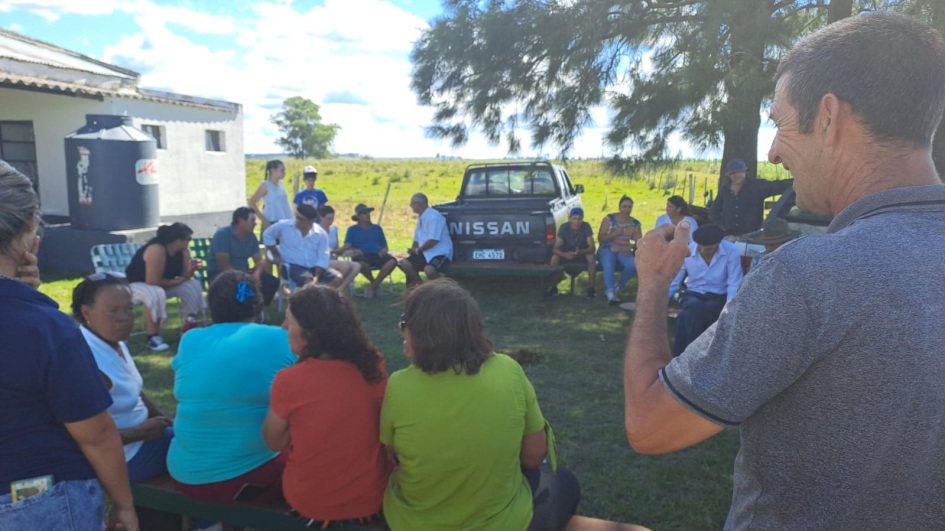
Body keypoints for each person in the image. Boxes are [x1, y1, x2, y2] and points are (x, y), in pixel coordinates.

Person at [624, 13, 945, 529]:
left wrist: (655, 284)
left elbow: (649, 424)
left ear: (828, 117)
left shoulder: (812, 274)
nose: (772, 151)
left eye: (777, 122)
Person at [0, 161, 139, 531]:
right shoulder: (47, 328)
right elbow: (97, 434)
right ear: (31, 222)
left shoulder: (37, 322)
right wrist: (124, 505)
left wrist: (23, 296)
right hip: (33, 499)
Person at [382, 280, 580, 531]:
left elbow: (392, 450)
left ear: (424, 333)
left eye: (405, 320)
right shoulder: (509, 371)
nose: (401, 328)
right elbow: (533, 457)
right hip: (500, 522)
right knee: (564, 481)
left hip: (410, 523)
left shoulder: (399, 385)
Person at [263, 285, 392, 527]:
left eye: (289, 321)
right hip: (372, 497)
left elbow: (274, 442)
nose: (283, 328)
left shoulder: (288, 380)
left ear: (310, 333)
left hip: (312, 503)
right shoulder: (374, 365)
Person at [168, 271, 296, 505]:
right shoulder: (282, 339)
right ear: (258, 305)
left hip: (185, 475)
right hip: (252, 476)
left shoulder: (190, 339)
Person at [73, 274, 174, 484]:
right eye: (113, 312)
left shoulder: (111, 340)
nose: (125, 317)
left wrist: (166, 421)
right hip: (123, 458)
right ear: (86, 312)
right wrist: (141, 432)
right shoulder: (88, 362)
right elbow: (86, 440)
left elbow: (136, 391)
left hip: (142, 440)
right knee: (207, 450)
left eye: (129, 308)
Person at [125, 222, 205, 351]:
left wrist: (191, 269)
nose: (189, 242)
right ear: (178, 240)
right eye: (188, 239)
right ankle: (152, 337)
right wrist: (178, 281)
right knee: (155, 292)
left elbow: (185, 276)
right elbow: (152, 281)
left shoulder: (183, 251)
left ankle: (190, 325)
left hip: (165, 283)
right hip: (137, 285)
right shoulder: (156, 249)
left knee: (193, 285)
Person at [666, 224, 742, 357]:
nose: (703, 251)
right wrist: (662, 303)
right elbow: (675, 279)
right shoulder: (688, 250)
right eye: (701, 247)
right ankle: (695, 353)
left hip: (718, 296)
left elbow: (733, 282)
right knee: (694, 306)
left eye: (709, 249)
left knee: (685, 316)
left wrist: (729, 309)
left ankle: (682, 354)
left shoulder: (731, 251)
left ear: (718, 244)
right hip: (693, 293)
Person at [206, 207, 280, 306]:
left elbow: (259, 261)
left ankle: (258, 308)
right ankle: (237, 312)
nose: (255, 224)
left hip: (244, 272)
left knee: (271, 281)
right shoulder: (223, 235)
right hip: (220, 274)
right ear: (241, 221)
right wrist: (243, 278)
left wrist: (256, 275)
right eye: (252, 221)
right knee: (236, 286)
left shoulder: (251, 237)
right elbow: (224, 266)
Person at [708, 158, 793, 237]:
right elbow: (714, 210)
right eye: (732, 173)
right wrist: (718, 226)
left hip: (752, 236)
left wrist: (798, 180)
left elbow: (778, 186)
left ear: (745, 171)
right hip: (728, 236)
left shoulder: (757, 186)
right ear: (729, 175)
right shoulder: (724, 189)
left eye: (738, 172)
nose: (735, 175)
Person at [263, 204, 341, 289]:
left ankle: (320, 298)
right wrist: (276, 254)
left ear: (311, 221)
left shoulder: (321, 234)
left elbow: (323, 256)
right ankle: (310, 299)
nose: (297, 221)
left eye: (301, 219)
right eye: (297, 217)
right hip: (293, 266)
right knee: (308, 282)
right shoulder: (284, 226)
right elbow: (267, 235)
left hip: (315, 267)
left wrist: (317, 276)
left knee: (337, 278)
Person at [342, 203, 398, 299]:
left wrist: (384, 251)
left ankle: (372, 287)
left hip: (377, 254)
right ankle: (374, 283)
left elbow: (384, 245)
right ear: (358, 217)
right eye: (364, 213)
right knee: (362, 264)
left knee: (392, 261)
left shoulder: (377, 228)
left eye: (368, 212)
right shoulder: (352, 230)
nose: (368, 215)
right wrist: (354, 251)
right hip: (362, 255)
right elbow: (347, 247)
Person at [399, 193, 452, 285]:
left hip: (440, 252)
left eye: (413, 204)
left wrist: (417, 250)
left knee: (429, 270)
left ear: (422, 204)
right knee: (404, 263)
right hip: (424, 253)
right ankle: (422, 287)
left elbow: (433, 240)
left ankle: (444, 289)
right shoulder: (421, 217)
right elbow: (416, 240)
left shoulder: (433, 216)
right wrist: (412, 253)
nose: (411, 206)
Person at [597, 196, 642, 304]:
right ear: (619, 207)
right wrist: (615, 233)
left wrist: (630, 247)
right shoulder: (609, 219)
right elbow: (600, 238)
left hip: (624, 249)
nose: (626, 210)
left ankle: (618, 287)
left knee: (633, 264)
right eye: (624, 207)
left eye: (629, 207)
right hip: (608, 248)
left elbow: (639, 243)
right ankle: (610, 292)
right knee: (608, 264)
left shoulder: (635, 224)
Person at [547, 207, 596, 298]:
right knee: (554, 258)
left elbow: (592, 247)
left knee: (591, 257)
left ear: (582, 219)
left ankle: (591, 289)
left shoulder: (586, 227)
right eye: (574, 219)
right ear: (570, 219)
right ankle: (553, 288)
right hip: (566, 254)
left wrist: (580, 252)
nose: (577, 222)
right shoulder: (564, 228)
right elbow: (555, 248)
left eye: (579, 219)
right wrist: (565, 255)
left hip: (581, 254)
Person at [317, 205, 361, 292]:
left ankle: (339, 289)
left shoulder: (334, 229)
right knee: (345, 265)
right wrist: (335, 251)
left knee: (357, 265)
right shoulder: (316, 230)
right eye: (328, 218)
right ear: (321, 218)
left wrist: (345, 251)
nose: (331, 221)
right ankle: (328, 290)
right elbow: (317, 250)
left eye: (332, 218)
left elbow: (336, 248)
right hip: (321, 259)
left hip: (333, 258)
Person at [249, 159, 293, 231]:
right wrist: (264, 220)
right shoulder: (265, 185)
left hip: (285, 221)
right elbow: (251, 203)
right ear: (273, 171)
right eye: (282, 170)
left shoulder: (281, 184)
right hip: (272, 221)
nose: (284, 173)